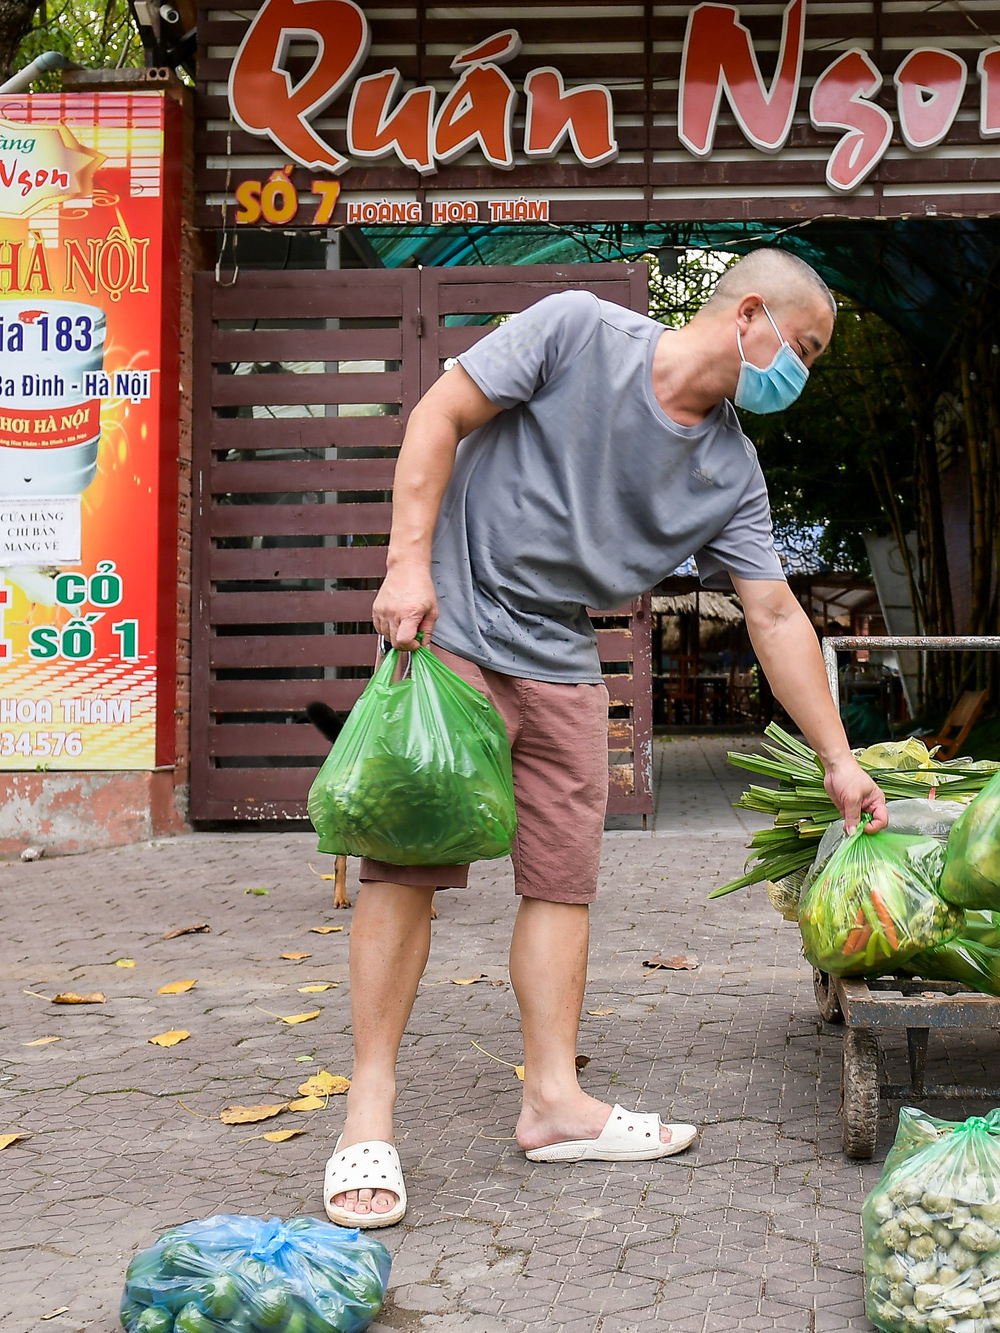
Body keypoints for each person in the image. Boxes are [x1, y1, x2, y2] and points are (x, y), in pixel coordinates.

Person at [327, 250, 889, 1228]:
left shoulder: (728, 469)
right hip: (455, 626)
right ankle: (365, 1116)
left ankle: (552, 1100)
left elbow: (775, 616)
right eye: (800, 348)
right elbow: (438, 416)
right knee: (403, 865)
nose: (798, 371)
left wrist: (839, 757)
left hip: (562, 659)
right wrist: (404, 567)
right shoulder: (577, 330)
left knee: (560, 881)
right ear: (748, 314)